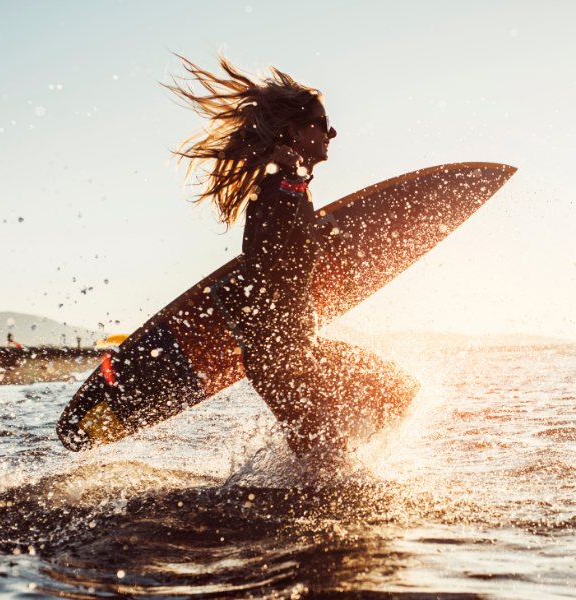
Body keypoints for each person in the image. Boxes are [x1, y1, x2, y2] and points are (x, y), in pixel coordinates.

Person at [167, 55, 419, 459]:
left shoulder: (289, 189)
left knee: (397, 392)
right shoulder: (280, 190)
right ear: (293, 131)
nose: (331, 132)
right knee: (324, 464)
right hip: (281, 355)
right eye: (321, 123)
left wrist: (296, 184)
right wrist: (289, 180)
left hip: (298, 348)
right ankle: (287, 499)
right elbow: (265, 258)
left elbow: (279, 252)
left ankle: (296, 490)